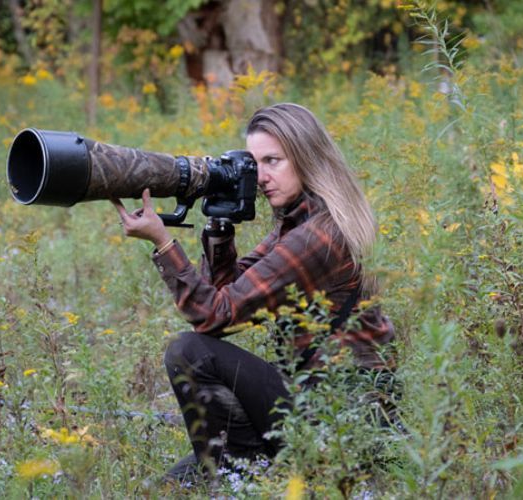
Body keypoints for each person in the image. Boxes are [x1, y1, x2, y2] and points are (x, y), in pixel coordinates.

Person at [112, 102, 396, 482]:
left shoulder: (319, 235)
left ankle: (246, 478)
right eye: (255, 163)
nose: (261, 177)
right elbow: (228, 293)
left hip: (344, 416)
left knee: (188, 352)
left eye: (273, 161)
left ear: (306, 158)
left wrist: (163, 242)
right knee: (165, 488)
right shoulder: (297, 223)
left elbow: (213, 314)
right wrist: (219, 223)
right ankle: (248, 471)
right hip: (314, 404)